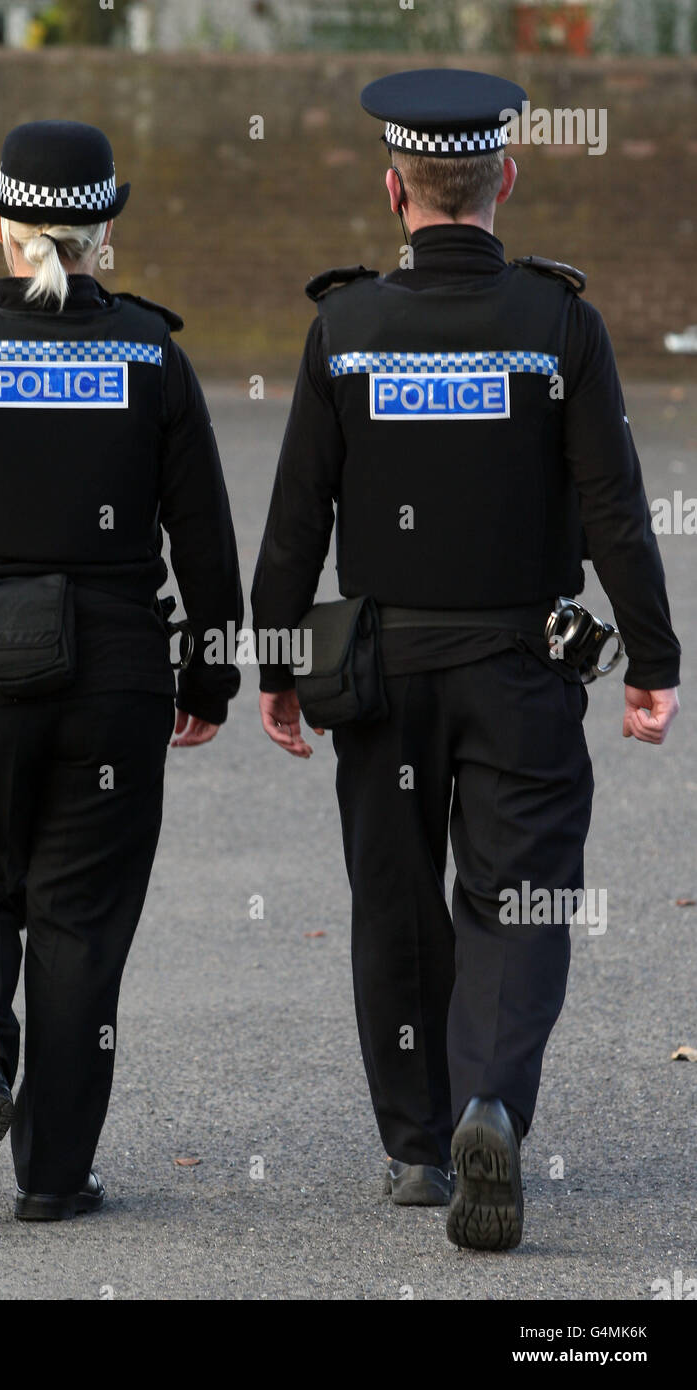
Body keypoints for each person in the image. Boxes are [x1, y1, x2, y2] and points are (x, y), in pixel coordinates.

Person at [250, 69, 680, 1250]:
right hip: (520, 667)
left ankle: (414, 1145)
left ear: (394, 189)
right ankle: (489, 1097)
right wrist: (651, 656)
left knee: (395, 906)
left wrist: (272, 666)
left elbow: (294, 521)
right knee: (518, 895)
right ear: (506, 178)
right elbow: (613, 509)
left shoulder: (342, 328)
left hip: (380, 673)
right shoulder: (557, 325)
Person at [0, 119, 242, 1220]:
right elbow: (204, 543)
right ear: (105, 226)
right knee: (79, 923)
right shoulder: (151, 354)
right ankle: (56, 1173)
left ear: (2, 221)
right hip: (117, 678)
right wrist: (207, 676)